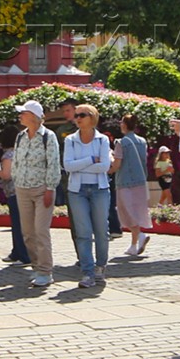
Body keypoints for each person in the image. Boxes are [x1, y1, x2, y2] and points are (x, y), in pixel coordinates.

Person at [9, 100, 61, 289]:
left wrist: (50, 188)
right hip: (22, 189)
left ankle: (45, 271)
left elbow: (54, 163)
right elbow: (16, 161)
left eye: (23, 113)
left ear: (33, 116)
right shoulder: (20, 136)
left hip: (42, 190)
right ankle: (37, 267)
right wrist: (16, 181)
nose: (20, 116)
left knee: (40, 231)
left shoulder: (49, 136)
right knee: (28, 233)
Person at [62, 104, 114, 287]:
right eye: (76, 115)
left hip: (99, 189)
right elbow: (68, 166)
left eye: (82, 115)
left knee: (101, 231)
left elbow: (105, 167)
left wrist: (80, 165)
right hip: (77, 191)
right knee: (83, 233)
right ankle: (87, 272)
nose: (78, 118)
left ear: (92, 117)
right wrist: (91, 160)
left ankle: (100, 267)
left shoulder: (102, 141)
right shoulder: (70, 140)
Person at [115, 115, 153, 258]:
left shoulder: (122, 142)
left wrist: (109, 168)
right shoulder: (142, 141)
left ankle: (141, 236)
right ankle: (133, 246)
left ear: (124, 125)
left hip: (125, 182)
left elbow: (117, 164)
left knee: (127, 213)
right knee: (137, 212)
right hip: (141, 181)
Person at [0, 127, 30, 265]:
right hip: (23, 190)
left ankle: (24, 255)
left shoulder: (8, 155)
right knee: (21, 223)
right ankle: (16, 252)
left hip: (14, 192)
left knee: (17, 224)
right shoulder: (23, 151)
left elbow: (6, 174)